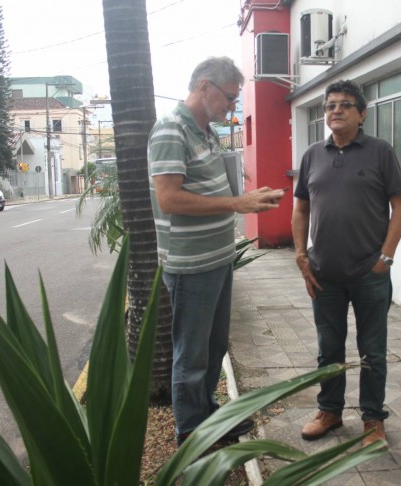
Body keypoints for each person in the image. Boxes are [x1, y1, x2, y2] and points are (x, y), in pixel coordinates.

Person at [148, 56, 286, 446]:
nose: (232, 106)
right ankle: (191, 435)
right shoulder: (171, 129)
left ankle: (207, 416)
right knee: (191, 354)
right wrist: (237, 204)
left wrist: (247, 197)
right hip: (191, 264)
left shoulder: (205, 131)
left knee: (213, 347)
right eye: (229, 97)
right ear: (205, 86)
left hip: (217, 258)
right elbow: (169, 198)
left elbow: (210, 187)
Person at [291, 79, 401, 447]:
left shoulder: (380, 152)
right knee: (328, 348)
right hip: (323, 273)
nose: (336, 111)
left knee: (372, 351)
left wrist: (385, 257)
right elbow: (301, 209)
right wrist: (301, 256)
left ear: (362, 114)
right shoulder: (312, 155)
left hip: (368, 274)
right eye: (330, 106)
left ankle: (373, 419)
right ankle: (329, 411)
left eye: (345, 105)